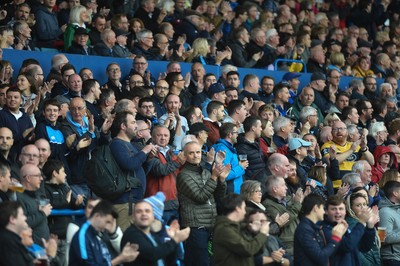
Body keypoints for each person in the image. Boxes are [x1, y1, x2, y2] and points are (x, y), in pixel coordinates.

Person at [176, 141, 229, 266]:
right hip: (195, 227)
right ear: (185, 155)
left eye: (198, 152)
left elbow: (218, 196)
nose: (196, 156)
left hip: (210, 224)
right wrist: (214, 177)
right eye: (191, 153)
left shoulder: (206, 172)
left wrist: (221, 180)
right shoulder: (183, 175)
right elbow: (201, 197)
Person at [69, 200, 140, 265]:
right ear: (97, 216)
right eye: (107, 222)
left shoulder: (96, 233)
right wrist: (120, 259)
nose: (107, 226)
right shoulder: (83, 235)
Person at [121, 200, 190, 266]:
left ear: (153, 216)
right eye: (139, 211)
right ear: (133, 216)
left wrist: (175, 242)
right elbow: (152, 254)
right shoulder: (132, 234)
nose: (144, 214)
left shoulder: (152, 234)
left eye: (147, 211)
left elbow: (168, 259)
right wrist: (175, 240)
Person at [213, 193, 269, 266]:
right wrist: (262, 233)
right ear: (238, 208)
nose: (245, 212)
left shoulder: (238, 227)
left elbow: (257, 251)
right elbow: (248, 249)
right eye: (244, 208)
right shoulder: (224, 229)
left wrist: (255, 233)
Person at [321, 195, 376, 266]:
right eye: (333, 209)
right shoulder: (325, 229)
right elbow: (347, 246)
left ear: (345, 212)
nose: (338, 212)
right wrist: (362, 222)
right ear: (326, 211)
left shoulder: (346, 226)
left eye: (341, 209)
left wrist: (370, 227)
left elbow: (364, 247)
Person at [294, 194, 347, 266]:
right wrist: (335, 239)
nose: (324, 212)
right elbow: (320, 257)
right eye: (322, 208)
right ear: (316, 208)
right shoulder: (305, 229)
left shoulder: (312, 227)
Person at [213, 122, 248, 194]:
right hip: (231, 193)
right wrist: (240, 167)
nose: (237, 135)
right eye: (236, 133)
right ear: (229, 134)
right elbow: (224, 174)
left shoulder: (229, 148)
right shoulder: (222, 149)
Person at [0, 201, 32, 265]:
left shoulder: (11, 239)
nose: (25, 218)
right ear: (12, 219)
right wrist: (50, 256)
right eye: (22, 215)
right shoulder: (8, 243)